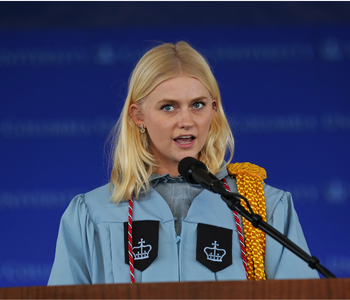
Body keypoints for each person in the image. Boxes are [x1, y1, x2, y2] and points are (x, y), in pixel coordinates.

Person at [48, 41, 319, 285]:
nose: (186, 120)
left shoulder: (261, 206)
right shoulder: (94, 214)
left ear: (214, 109)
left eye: (198, 105)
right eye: (169, 106)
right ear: (138, 116)